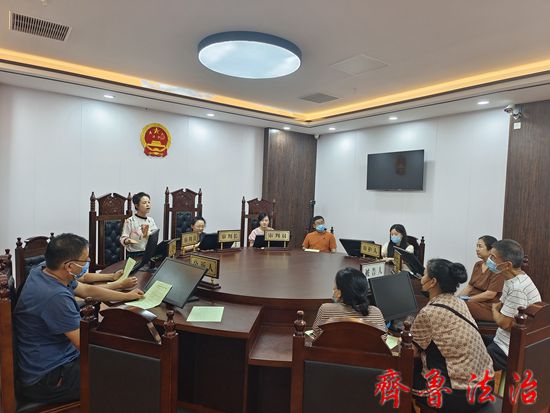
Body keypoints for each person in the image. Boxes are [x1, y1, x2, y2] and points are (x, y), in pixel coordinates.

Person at [14, 233, 144, 404]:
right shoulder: (55, 297)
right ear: (69, 266)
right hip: (48, 377)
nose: (88, 262)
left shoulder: (43, 270)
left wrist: (127, 296)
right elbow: (84, 344)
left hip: (50, 360)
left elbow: (86, 290)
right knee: (128, 373)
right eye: (85, 260)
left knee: (124, 362)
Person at [412, 259, 494, 413]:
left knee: (401, 376)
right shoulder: (460, 303)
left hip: (458, 395)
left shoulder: (428, 313)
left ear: (432, 282)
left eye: (424, 274)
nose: (421, 279)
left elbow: (411, 352)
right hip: (485, 387)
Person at [484, 239, 541, 371]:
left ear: (507, 265)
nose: (489, 260)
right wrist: (498, 309)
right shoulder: (512, 278)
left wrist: (494, 309)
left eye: (493, 257)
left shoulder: (517, 288)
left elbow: (504, 323)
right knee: (474, 339)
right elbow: (502, 304)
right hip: (502, 338)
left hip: (507, 349)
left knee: (472, 361)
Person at [311, 267, 386, 338]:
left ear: (339, 292)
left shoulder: (325, 310)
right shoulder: (376, 313)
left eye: (335, 286)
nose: (333, 288)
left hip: (332, 348)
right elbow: (383, 339)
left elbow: (316, 335)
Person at [457, 236, 504, 321]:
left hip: (488, 307)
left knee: (460, 306)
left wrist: (466, 300)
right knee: (452, 304)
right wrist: (456, 299)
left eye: (480, 246)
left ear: (491, 250)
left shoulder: (497, 268)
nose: (477, 249)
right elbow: (469, 287)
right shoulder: (478, 265)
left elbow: (490, 294)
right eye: (477, 246)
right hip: (472, 302)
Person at [120, 192, 158, 258]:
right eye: (144, 203)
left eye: (149, 202)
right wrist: (128, 240)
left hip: (149, 253)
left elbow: (154, 236)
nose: (148, 205)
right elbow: (123, 238)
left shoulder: (151, 220)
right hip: (134, 255)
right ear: (137, 206)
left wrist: (148, 234)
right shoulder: (130, 221)